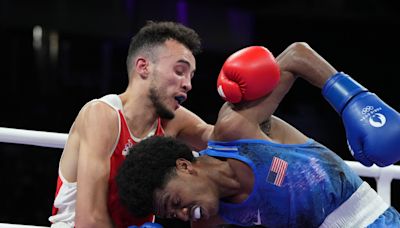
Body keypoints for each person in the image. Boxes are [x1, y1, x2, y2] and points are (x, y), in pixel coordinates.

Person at [116, 44, 400, 227]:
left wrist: (351, 101)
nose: (181, 214)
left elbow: (296, 57)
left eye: (175, 203)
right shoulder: (208, 220)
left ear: (184, 166)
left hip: (371, 219)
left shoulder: (236, 130)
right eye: (171, 216)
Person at [48, 21, 215, 228]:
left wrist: (259, 103)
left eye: (191, 76)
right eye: (180, 71)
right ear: (143, 67)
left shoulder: (172, 120)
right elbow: (89, 220)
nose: (188, 84)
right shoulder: (102, 116)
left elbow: (227, 138)